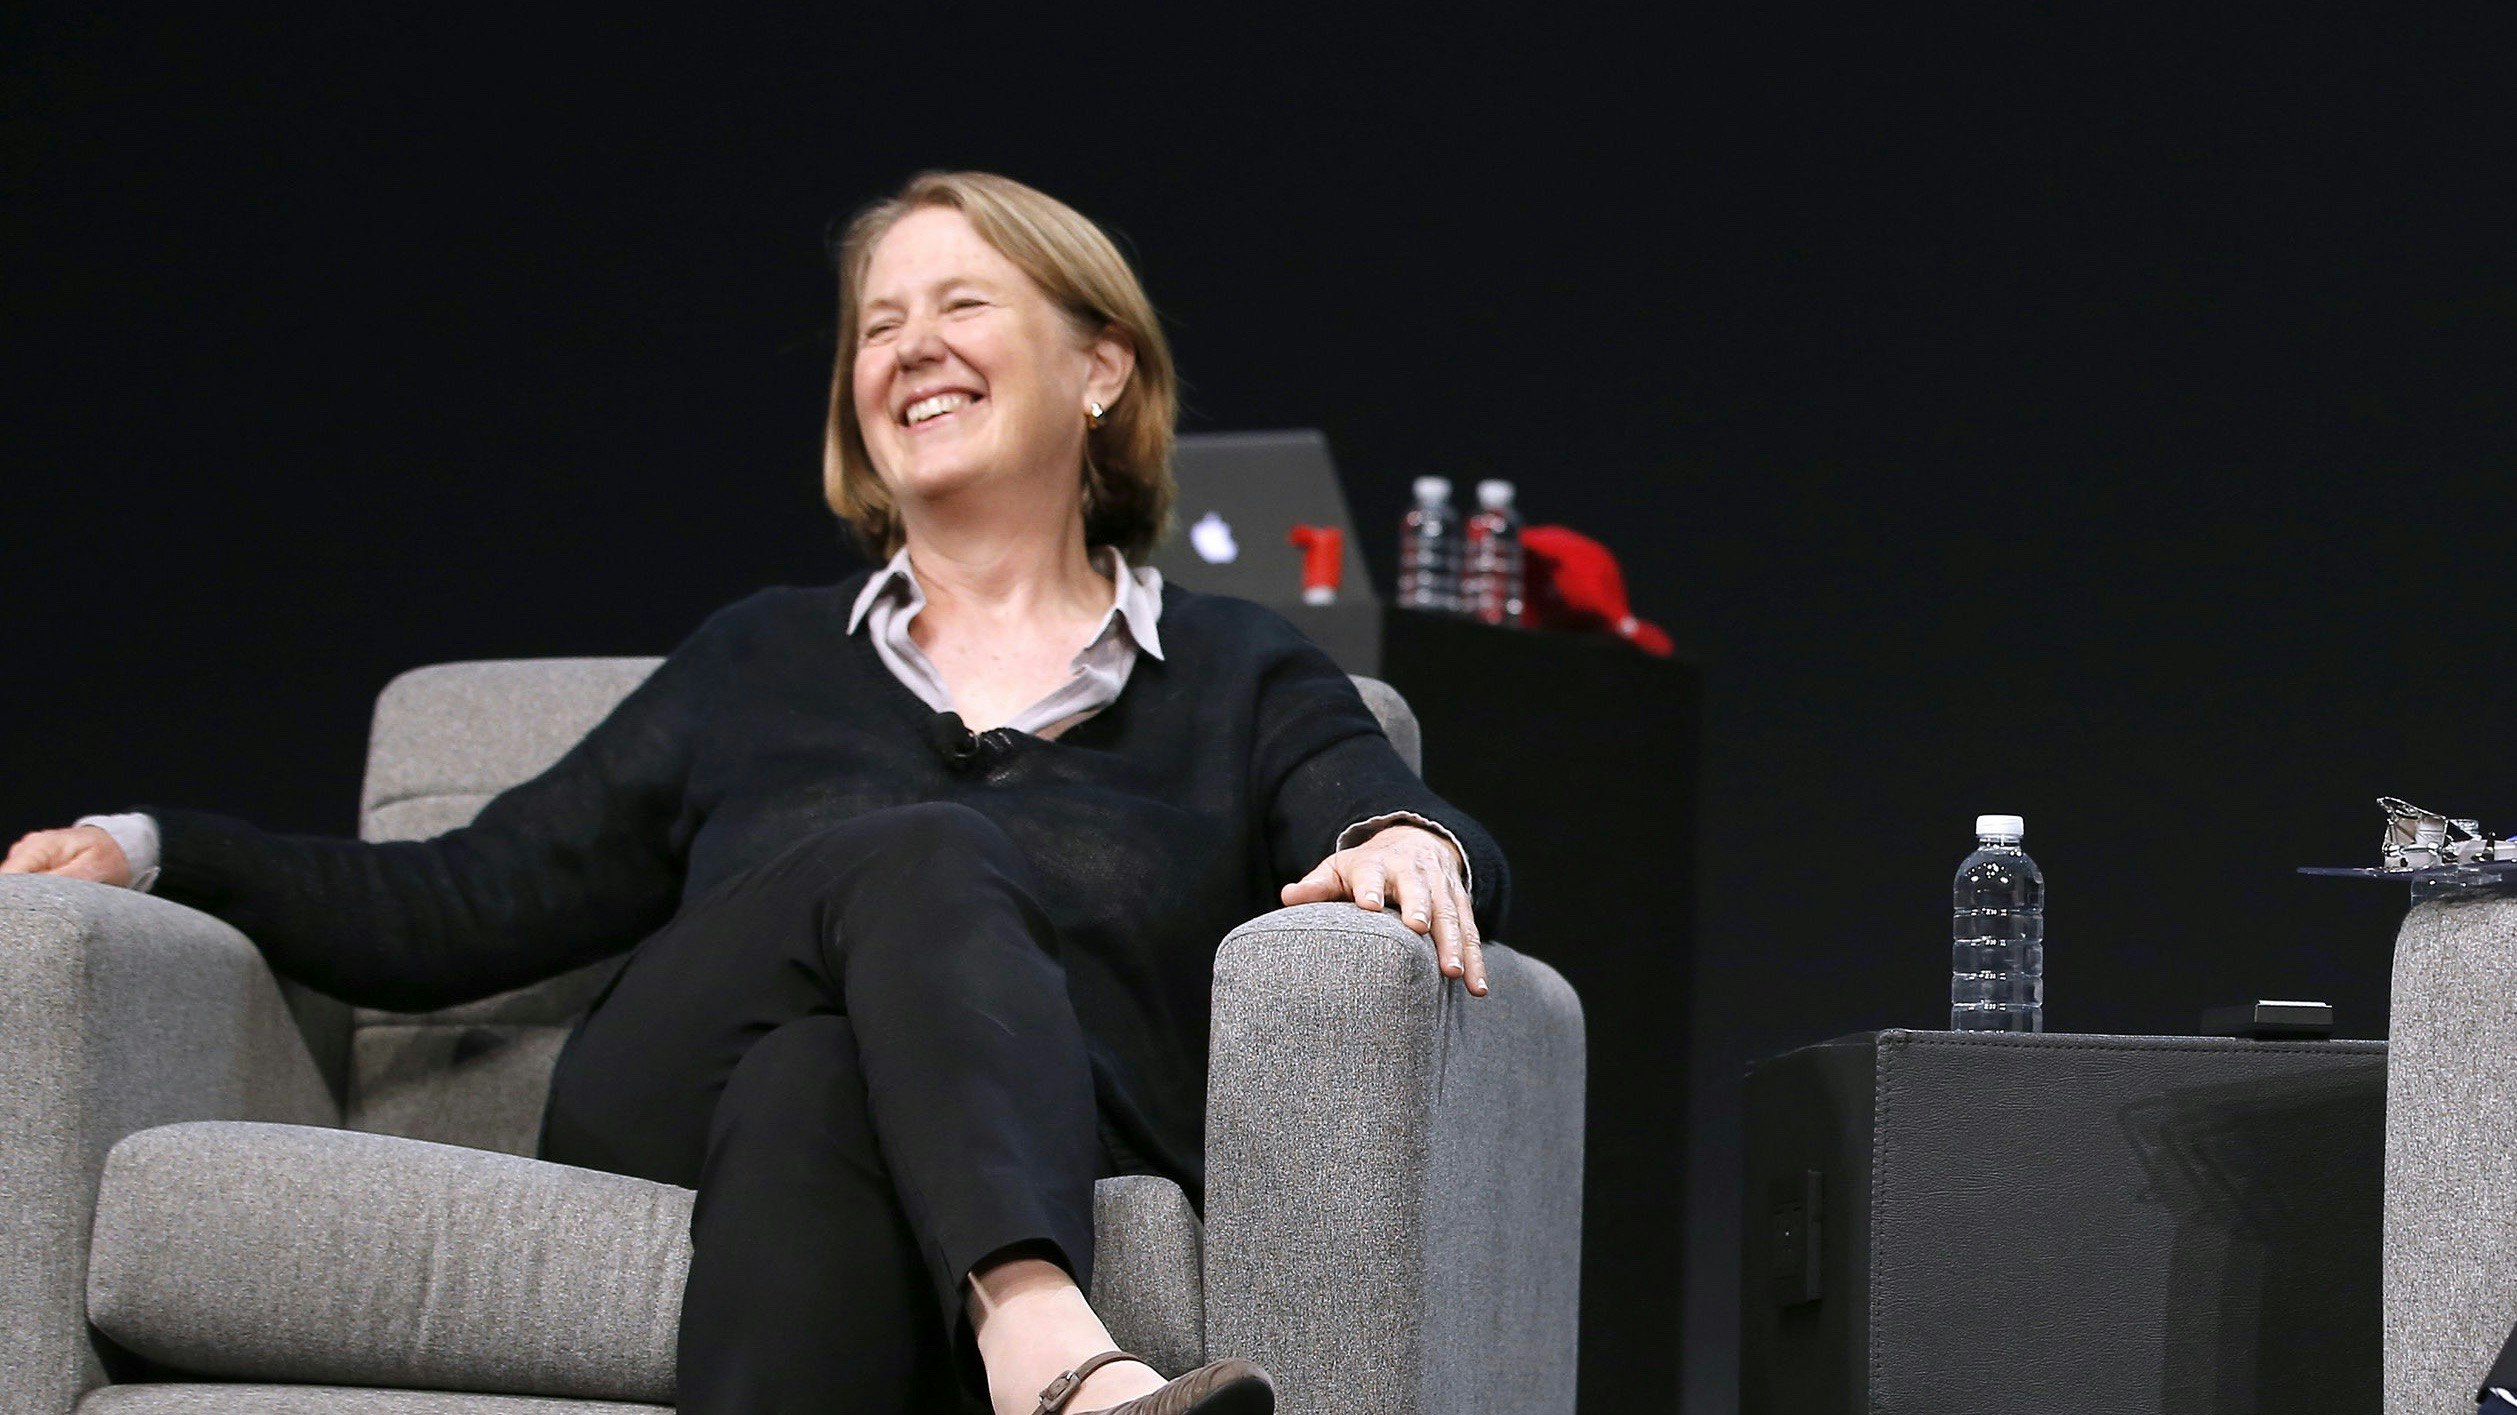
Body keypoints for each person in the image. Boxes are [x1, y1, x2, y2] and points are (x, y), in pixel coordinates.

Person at [3, 170, 1509, 1415]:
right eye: (877, 327)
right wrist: (152, 849)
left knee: (823, 1079)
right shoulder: (758, 660)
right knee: (917, 856)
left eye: (962, 304)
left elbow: (1378, 808)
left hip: (979, 1126)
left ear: (1100, 367)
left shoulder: (1241, 669)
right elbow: (454, 905)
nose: (908, 349)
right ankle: (1048, 1348)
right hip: (671, 1104)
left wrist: (1394, 836)